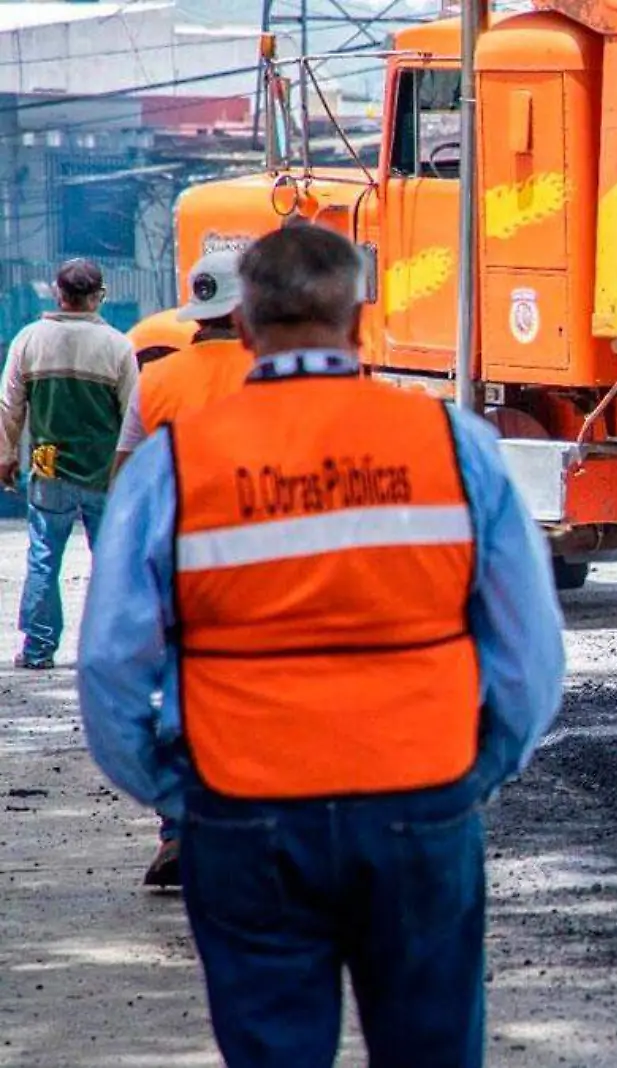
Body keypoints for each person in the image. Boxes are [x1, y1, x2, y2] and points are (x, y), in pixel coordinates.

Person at [77, 225, 565, 1066]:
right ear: (358, 324)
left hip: (245, 808)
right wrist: (475, 770)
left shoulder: (177, 467)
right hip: (420, 800)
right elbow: (529, 653)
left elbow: (110, 665)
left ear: (249, 326)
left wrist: (181, 793)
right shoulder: (455, 448)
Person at [112, 252, 254, 888]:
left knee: (181, 694)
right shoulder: (267, 373)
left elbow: (128, 479)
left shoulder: (156, 381)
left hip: (178, 561)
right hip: (259, 557)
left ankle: (177, 831)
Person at [0, 259, 136, 670]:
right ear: (98, 297)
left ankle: (39, 649)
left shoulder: (29, 340)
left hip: (48, 467)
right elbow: (134, 416)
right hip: (104, 473)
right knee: (111, 561)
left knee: (43, 556)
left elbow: (9, 406)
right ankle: (112, 650)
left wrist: (5, 456)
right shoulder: (117, 346)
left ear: (58, 294)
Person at [115, 251, 252, 477]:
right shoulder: (271, 370)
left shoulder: (151, 381)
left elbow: (124, 479)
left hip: (180, 510)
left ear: (197, 316)